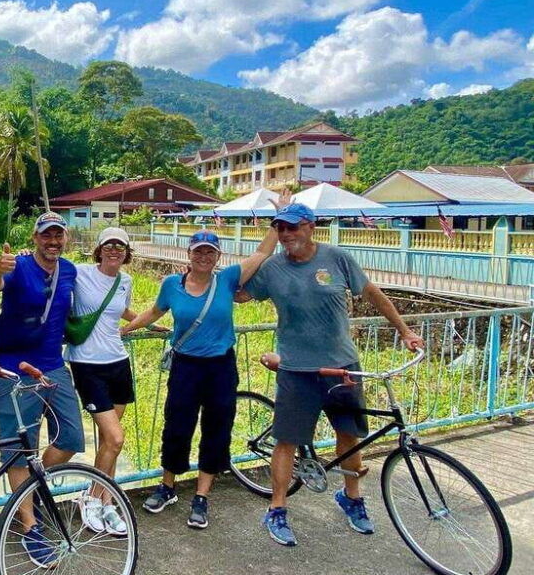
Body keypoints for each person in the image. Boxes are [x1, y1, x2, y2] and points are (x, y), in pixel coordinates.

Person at [237, 202, 425, 547]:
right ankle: (277, 508)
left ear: (311, 227)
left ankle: (351, 498)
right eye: (280, 228)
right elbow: (238, 294)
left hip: (342, 366)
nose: (286, 234)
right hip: (296, 369)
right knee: (287, 440)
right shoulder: (272, 268)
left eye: (292, 227)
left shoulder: (337, 258)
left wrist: (404, 330)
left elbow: (372, 293)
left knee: (348, 435)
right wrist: (258, 255)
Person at [121, 215, 283, 530]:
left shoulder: (227, 280)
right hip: (185, 366)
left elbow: (262, 253)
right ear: (189, 254)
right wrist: (127, 328)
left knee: (216, 428)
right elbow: (155, 311)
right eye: (199, 252)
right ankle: (167, 486)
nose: (204, 257)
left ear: (218, 256)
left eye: (210, 252)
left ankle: (201, 496)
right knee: (177, 426)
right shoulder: (171, 285)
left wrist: (277, 222)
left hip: (220, 366)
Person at [0, 211, 83, 567]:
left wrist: (132, 319)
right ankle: (29, 527)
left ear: (65, 238)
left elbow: (104, 291)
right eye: (46, 235)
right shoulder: (17, 265)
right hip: (13, 370)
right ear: (35, 237)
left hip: (53, 366)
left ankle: (29, 487)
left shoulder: (70, 270)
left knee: (71, 437)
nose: (53, 241)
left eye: (58, 235)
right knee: (16, 450)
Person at [65, 227, 169, 536]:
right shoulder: (80, 273)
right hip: (87, 365)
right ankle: (92, 499)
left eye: (120, 246)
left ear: (126, 252)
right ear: (98, 249)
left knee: (109, 441)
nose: (114, 250)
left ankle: (105, 501)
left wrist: (143, 322)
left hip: (118, 363)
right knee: (116, 438)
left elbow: (119, 309)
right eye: (108, 245)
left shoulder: (125, 280)